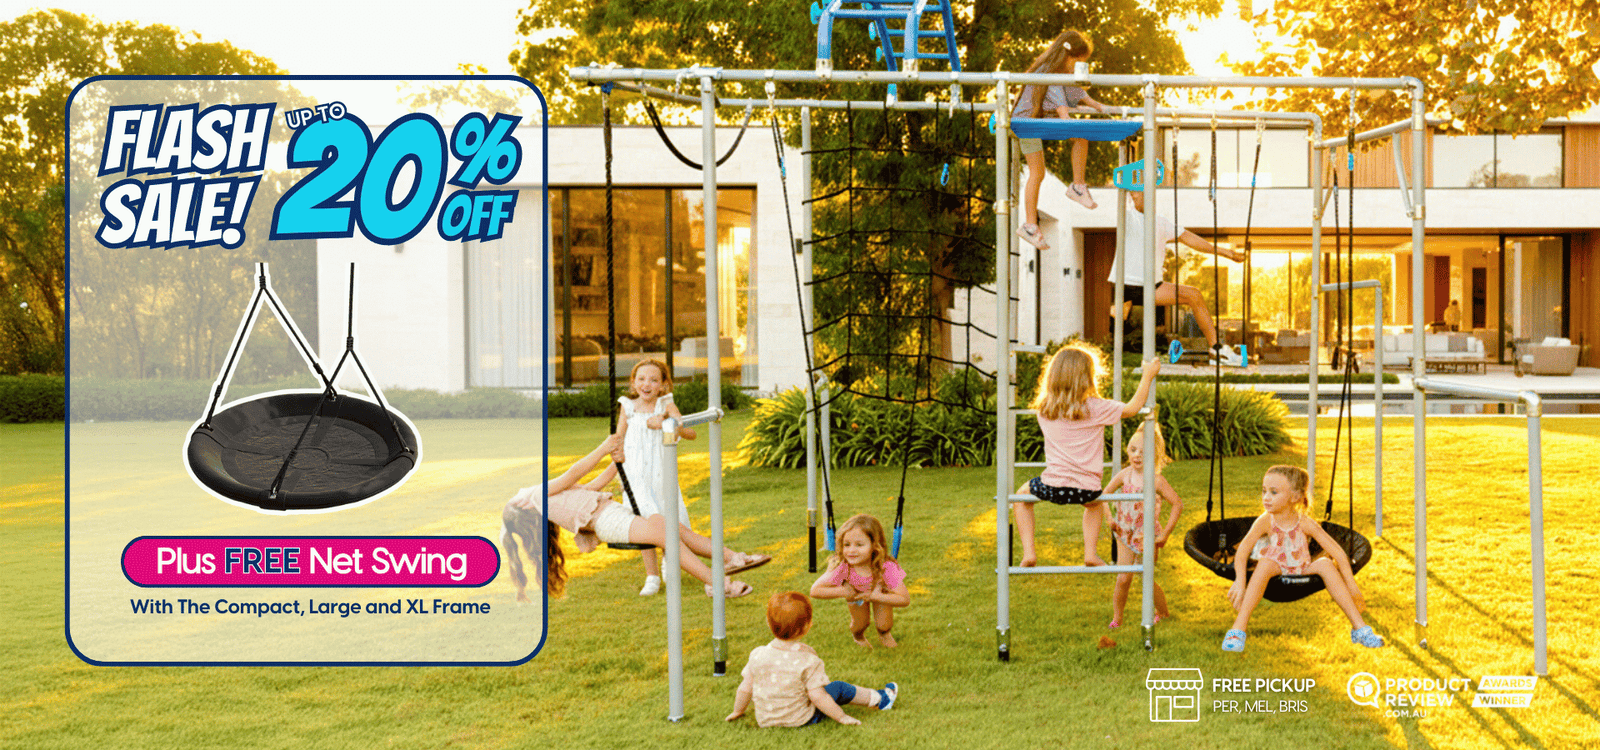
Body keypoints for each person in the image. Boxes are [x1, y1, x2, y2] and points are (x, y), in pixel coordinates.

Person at [500, 433, 759, 601]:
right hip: (610, 523)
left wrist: (618, 461)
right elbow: (572, 473)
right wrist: (603, 448)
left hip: (614, 515)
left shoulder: (548, 502)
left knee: (678, 531)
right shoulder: (534, 495)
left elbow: (594, 485)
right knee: (668, 536)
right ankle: (718, 585)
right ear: (521, 505)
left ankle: (732, 558)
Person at [617, 358, 767, 595]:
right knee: (645, 527)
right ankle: (652, 576)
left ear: (663, 385)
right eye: (642, 379)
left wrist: (667, 424)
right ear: (633, 382)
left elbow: (688, 431)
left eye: (654, 380)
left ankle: (671, 564)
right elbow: (618, 441)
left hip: (661, 476)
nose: (647, 384)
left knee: (671, 523)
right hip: (636, 478)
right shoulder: (627, 407)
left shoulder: (666, 404)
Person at [1013, 343, 1160, 568]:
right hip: (1087, 489)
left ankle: (1029, 553)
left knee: (1022, 498)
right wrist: (1148, 375)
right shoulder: (1096, 408)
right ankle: (1090, 553)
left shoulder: (1044, 409)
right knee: (1093, 505)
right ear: (1088, 378)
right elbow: (1132, 408)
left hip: (1052, 486)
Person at [1221, 465, 1384, 652]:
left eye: (1274, 492)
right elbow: (1242, 551)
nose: (1266, 497)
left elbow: (1337, 551)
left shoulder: (1305, 522)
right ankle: (1238, 629)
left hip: (1302, 567)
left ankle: (1359, 628)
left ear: (1295, 497)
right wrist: (1240, 581)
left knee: (1326, 563)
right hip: (1275, 566)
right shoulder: (1266, 520)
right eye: (1264, 491)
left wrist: (1353, 587)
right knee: (1265, 563)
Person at [1112, 190, 1249, 366]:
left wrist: (1227, 253)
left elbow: (1191, 239)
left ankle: (1216, 350)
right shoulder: (1128, 218)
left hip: (1151, 286)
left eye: (1139, 194)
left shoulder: (1161, 223)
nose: (1135, 197)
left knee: (1194, 295)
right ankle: (1120, 313)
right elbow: (1123, 194)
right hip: (1128, 284)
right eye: (1133, 195)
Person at [726, 592, 899, 728]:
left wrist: (737, 710)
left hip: (766, 719)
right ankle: (881, 699)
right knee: (838, 687)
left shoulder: (757, 654)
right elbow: (817, 696)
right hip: (801, 719)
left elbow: (745, 687)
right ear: (808, 626)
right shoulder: (808, 660)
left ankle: (879, 698)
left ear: (768, 623)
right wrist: (842, 717)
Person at [1014, 29, 1110, 251]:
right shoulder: (1050, 72)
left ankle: (1032, 223)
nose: (1077, 67)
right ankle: (1073, 190)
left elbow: (1078, 94)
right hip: (1026, 123)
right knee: (1076, 140)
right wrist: (1067, 119)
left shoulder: (1060, 75)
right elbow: (1060, 105)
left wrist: (1101, 107)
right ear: (1069, 56)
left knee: (1038, 172)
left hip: (1035, 122)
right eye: (1078, 62)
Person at [1101, 421, 1182, 628]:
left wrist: (1165, 534)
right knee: (1123, 578)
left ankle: (1162, 612)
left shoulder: (1156, 481)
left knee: (1146, 577)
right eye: (1133, 450)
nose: (1136, 455)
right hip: (1125, 533)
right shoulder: (1124, 475)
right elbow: (1104, 496)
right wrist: (1110, 519)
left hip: (1147, 536)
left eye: (1142, 451)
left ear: (1154, 455)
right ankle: (1117, 618)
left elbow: (1177, 504)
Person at [809, 514, 910, 649]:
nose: (851, 550)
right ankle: (858, 636)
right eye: (847, 545)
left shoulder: (886, 567)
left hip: (880, 593)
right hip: (856, 595)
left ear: (875, 545)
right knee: (860, 624)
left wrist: (876, 596)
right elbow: (815, 590)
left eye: (859, 545)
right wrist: (844, 591)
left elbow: (904, 599)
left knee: (884, 625)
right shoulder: (843, 566)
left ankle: (884, 634)